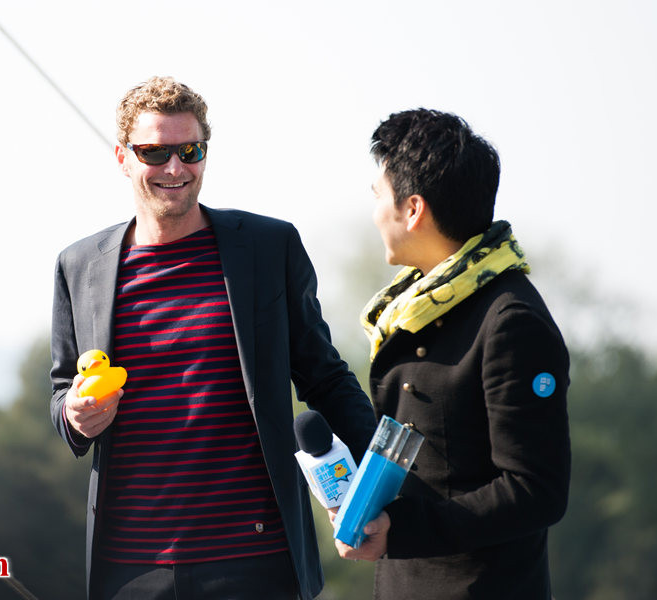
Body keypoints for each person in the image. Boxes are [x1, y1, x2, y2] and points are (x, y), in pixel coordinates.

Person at [49, 76, 376, 600]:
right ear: (122, 157)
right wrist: (74, 415)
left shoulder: (271, 246)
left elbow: (326, 376)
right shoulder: (79, 265)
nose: (175, 168)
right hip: (130, 569)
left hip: (256, 560)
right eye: (154, 151)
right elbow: (64, 392)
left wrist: (385, 481)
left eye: (190, 150)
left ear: (205, 152)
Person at [334, 109, 571, 599]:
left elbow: (535, 490)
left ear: (413, 209)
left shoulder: (510, 321)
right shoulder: (415, 310)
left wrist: (400, 529)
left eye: (378, 195)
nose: (375, 209)